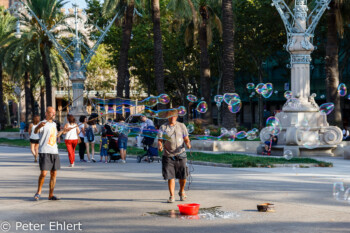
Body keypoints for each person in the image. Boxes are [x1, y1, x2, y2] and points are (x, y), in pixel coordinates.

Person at [158, 110, 191, 203]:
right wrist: (160, 145)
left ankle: (181, 191)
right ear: (168, 117)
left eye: (174, 116)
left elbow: (186, 138)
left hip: (181, 154)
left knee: (183, 176)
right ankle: (172, 196)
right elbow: (160, 140)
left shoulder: (182, 126)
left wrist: (188, 143)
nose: (172, 118)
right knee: (170, 176)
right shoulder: (163, 127)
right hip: (168, 155)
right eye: (170, 116)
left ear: (176, 117)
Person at [33, 106, 66, 201]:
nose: (54, 114)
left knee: (54, 173)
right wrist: (39, 126)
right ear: (47, 113)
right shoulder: (42, 123)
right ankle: (38, 192)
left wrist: (63, 131)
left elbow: (54, 136)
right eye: (52, 112)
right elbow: (35, 131)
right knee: (43, 173)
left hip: (54, 151)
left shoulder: (54, 124)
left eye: (54, 112)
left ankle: (50, 195)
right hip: (44, 151)